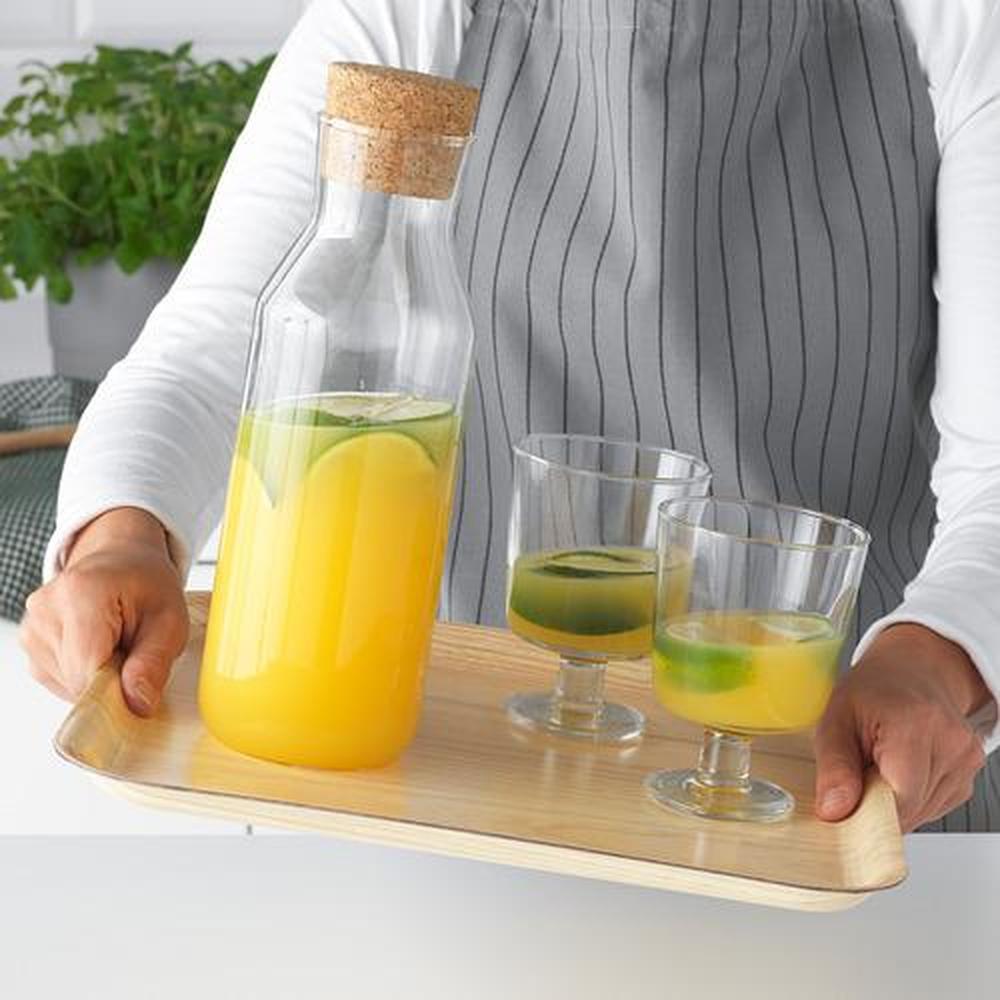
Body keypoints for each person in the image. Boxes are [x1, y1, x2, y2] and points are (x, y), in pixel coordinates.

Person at [19, 0, 1000, 832]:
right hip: (445, 778)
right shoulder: (409, 17)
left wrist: (935, 659)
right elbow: (212, 353)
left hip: (842, 788)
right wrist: (121, 536)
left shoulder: (958, 25)